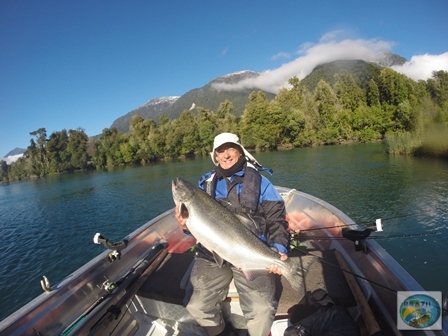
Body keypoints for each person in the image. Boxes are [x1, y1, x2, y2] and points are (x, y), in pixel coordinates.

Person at [175, 132, 290, 336]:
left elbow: (277, 219)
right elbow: (196, 227)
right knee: (196, 307)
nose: (226, 155)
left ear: (240, 152)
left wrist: (279, 250)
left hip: (250, 253)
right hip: (211, 254)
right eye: (221, 151)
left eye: (230, 149)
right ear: (215, 156)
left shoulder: (261, 183)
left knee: (262, 310)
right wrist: (185, 226)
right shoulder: (204, 185)